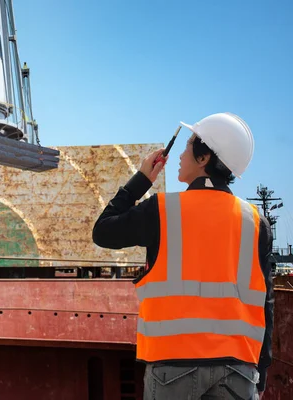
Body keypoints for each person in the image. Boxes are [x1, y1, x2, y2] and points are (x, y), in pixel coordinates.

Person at [93, 113, 274, 399]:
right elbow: (266, 302)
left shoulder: (163, 211)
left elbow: (102, 231)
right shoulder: (256, 222)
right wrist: (261, 372)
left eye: (188, 144)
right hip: (240, 368)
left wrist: (141, 180)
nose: (180, 153)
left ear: (204, 158)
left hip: (173, 367)